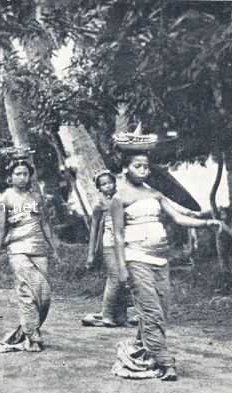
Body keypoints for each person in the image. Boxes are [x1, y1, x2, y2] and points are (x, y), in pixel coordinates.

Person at [110, 150, 222, 381]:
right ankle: (165, 362)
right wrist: (121, 268)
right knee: (151, 311)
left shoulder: (156, 194)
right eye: (137, 166)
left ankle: (141, 353)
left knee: (161, 309)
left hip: (160, 259)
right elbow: (119, 235)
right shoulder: (119, 198)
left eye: (146, 167)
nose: (143, 171)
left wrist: (207, 222)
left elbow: (179, 218)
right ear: (126, 168)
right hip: (136, 257)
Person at [0, 158, 50, 353]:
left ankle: (29, 329)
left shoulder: (36, 197)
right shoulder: (6, 198)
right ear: (10, 177)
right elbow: (0, 230)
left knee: (44, 293)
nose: (22, 177)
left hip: (39, 248)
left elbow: (45, 224)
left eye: (25, 173)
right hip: (17, 248)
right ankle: (33, 335)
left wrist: (54, 249)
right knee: (27, 292)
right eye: (18, 174)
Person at [82, 170, 135, 327]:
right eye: (103, 184)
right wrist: (91, 253)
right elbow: (94, 229)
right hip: (109, 243)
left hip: (125, 243)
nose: (108, 186)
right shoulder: (99, 204)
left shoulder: (121, 199)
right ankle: (107, 313)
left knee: (125, 280)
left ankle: (121, 316)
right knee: (115, 277)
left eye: (110, 182)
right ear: (99, 187)